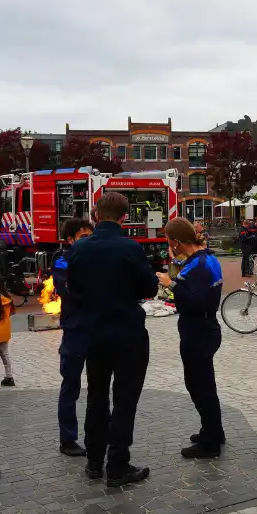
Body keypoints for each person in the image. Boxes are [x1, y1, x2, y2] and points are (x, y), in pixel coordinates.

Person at [67, 192, 158, 487]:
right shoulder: (130, 248)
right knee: (124, 399)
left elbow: (74, 289)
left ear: (95, 214)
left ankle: (94, 461)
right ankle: (118, 465)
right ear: (124, 216)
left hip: (94, 331)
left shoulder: (80, 248)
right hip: (128, 333)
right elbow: (149, 287)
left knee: (96, 396)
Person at [156, 218, 225, 459]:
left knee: (198, 385)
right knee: (207, 383)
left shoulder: (197, 266)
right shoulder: (207, 258)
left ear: (175, 241)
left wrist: (171, 283)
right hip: (207, 328)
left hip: (198, 330)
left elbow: (194, 301)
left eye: (168, 240)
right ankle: (214, 430)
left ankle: (210, 443)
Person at [54, 218, 93, 457]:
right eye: (83, 237)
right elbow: (66, 290)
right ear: (70, 240)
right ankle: (67, 439)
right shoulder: (62, 261)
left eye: (91, 236)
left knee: (99, 387)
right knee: (71, 385)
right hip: (75, 331)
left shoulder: (98, 259)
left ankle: (101, 431)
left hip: (97, 329)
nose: (88, 242)